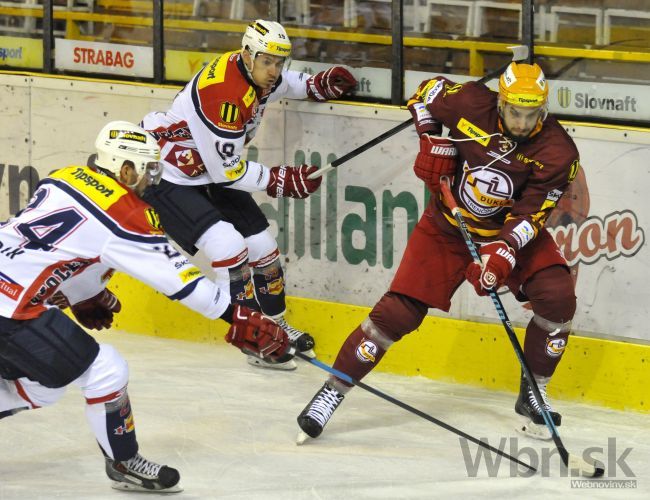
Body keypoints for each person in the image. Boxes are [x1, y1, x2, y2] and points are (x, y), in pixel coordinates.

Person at [0, 121, 291, 492]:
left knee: (43, 385)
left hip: (11, 295)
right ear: (124, 169)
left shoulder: (63, 177)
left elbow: (61, 246)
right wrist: (237, 316)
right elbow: (183, 283)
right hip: (11, 309)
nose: (154, 178)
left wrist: (83, 295)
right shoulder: (128, 214)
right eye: (149, 168)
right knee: (105, 370)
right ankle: (123, 462)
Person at [297, 62, 581, 441]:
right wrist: (429, 136)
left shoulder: (558, 151)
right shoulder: (469, 103)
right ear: (501, 102)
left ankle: (534, 392)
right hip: (447, 227)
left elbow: (531, 215)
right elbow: (424, 92)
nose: (523, 122)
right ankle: (332, 391)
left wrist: (501, 257)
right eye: (516, 112)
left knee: (558, 295)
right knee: (397, 313)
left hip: (505, 232)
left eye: (533, 114)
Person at [140, 19, 357, 370]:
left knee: (263, 248)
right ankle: (252, 338)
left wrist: (316, 85)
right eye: (267, 61)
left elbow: (282, 83)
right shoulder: (223, 95)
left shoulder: (253, 70)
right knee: (229, 246)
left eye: (278, 61)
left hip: (206, 170)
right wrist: (280, 180)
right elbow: (226, 172)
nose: (274, 70)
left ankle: (277, 325)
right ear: (247, 54)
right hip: (169, 175)